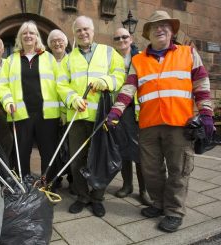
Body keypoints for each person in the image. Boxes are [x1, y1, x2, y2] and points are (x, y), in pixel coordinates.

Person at [107, 10, 214, 232]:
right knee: (151, 170)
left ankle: (174, 211)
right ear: (148, 33)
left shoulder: (188, 53)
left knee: (179, 169)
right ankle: (158, 203)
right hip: (148, 125)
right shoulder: (138, 60)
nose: (160, 28)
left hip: (179, 124)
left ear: (172, 30)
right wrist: (115, 112)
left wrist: (206, 114)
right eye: (155, 26)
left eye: (165, 25)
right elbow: (128, 89)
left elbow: (201, 84)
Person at [57, 15, 125, 217]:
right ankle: (82, 196)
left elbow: (120, 75)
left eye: (86, 29)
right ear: (74, 34)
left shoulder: (109, 52)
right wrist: (72, 99)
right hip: (77, 117)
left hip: (101, 117)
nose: (83, 33)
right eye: (78, 30)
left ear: (93, 31)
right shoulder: (68, 59)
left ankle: (97, 197)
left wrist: (107, 81)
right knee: (77, 159)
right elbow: (61, 84)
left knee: (100, 158)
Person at [0, 21, 60, 184]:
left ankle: (48, 186)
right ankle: (23, 185)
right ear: (19, 37)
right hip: (20, 114)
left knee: (48, 153)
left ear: (37, 37)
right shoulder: (10, 60)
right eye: (24, 33)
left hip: (47, 115)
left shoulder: (49, 58)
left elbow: (60, 84)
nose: (28, 35)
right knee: (22, 153)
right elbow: (2, 86)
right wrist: (7, 102)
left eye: (32, 32)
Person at [112, 27, 151, 206]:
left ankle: (144, 190)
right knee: (122, 148)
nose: (121, 40)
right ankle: (127, 185)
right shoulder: (111, 59)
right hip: (118, 110)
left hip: (136, 109)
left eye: (125, 37)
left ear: (131, 38)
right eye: (118, 38)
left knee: (138, 150)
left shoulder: (142, 57)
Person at [47, 29, 74, 192]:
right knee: (52, 148)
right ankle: (55, 179)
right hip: (50, 112)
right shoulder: (46, 61)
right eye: (53, 41)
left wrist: (65, 111)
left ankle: (72, 178)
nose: (57, 43)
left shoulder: (72, 61)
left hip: (69, 112)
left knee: (71, 148)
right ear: (50, 45)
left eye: (60, 40)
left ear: (65, 43)